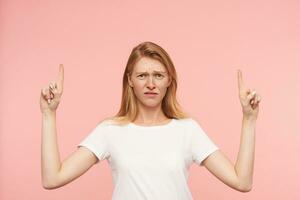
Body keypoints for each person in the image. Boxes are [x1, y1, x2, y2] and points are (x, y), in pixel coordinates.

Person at [40, 41, 261, 199]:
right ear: (130, 81)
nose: (151, 84)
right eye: (142, 75)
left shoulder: (187, 130)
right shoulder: (110, 130)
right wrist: (49, 115)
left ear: (169, 81)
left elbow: (242, 182)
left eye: (158, 75)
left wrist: (249, 120)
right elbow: (52, 179)